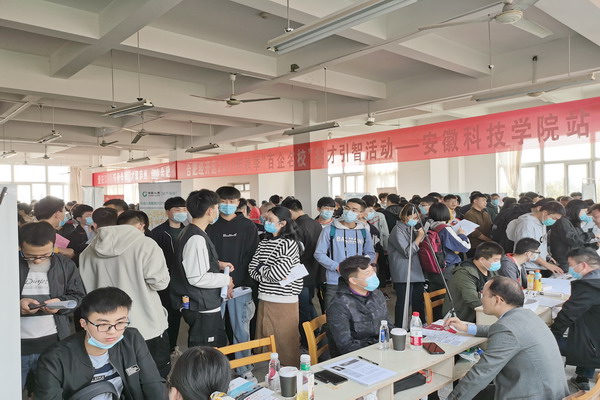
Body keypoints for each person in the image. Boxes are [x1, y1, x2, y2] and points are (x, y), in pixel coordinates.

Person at [79, 207, 171, 378]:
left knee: (120, 378)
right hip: (147, 324)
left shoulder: (86, 252)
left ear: (95, 225)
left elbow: (86, 290)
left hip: (107, 330)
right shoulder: (145, 244)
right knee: (155, 376)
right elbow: (160, 283)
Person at [445, 276, 569, 400]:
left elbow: (481, 373)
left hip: (534, 396)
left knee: (472, 388)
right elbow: (499, 330)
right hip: (550, 392)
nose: (481, 299)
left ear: (497, 300)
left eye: (484, 295)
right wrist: (467, 328)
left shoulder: (506, 329)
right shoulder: (527, 315)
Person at [35, 287, 167, 399]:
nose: (112, 331)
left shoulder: (132, 339)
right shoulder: (54, 359)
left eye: (120, 322)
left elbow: (152, 382)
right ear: (84, 324)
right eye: (103, 324)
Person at [19, 222, 85, 392]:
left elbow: (78, 296)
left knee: (49, 392)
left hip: (53, 344)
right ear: (20, 247)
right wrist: (15, 306)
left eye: (45, 255)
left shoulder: (65, 265)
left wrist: (60, 304)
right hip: (14, 345)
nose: (38, 260)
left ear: (54, 246)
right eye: (30, 256)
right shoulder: (7, 264)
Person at [206, 186, 258, 380]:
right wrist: (222, 280)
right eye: (224, 202)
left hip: (240, 287)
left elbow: (251, 256)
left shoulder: (248, 226)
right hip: (213, 285)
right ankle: (214, 370)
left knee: (241, 328)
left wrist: (233, 282)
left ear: (238, 203)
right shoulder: (210, 225)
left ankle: (245, 368)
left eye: (232, 202)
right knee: (213, 329)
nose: (228, 205)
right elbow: (208, 257)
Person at [170, 189, 233, 349]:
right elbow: (197, 278)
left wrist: (217, 264)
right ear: (210, 210)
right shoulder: (196, 238)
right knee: (205, 352)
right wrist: (226, 280)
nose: (217, 211)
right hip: (202, 306)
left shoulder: (190, 231)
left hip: (202, 303)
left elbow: (193, 263)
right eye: (217, 207)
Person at [248, 206, 303, 367]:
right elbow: (252, 269)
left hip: (284, 299)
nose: (266, 222)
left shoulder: (289, 244)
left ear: (283, 223)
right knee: (267, 338)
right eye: (266, 219)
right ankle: (273, 372)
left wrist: (262, 268)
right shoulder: (264, 242)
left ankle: (290, 374)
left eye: (271, 220)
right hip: (265, 296)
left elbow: (277, 273)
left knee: (285, 343)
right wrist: (266, 273)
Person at [551, 247, 600, 391]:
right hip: (595, 334)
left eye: (571, 265)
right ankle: (582, 377)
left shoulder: (588, 286)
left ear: (583, 265)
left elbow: (567, 315)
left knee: (546, 341)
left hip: (593, 347)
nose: (569, 269)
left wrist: (552, 335)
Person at [314, 197, 376, 309]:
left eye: (354, 210)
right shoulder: (329, 230)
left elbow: (370, 253)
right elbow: (319, 254)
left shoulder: (364, 232)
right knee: (333, 313)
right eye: (347, 208)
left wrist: (361, 265)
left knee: (357, 313)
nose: (349, 212)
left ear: (361, 214)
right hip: (334, 281)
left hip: (357, 281)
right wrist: (337, 266)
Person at [327, 256, 389, 357]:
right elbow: (346, 346)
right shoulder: (339, 305)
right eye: (368, 274)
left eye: (372, 271)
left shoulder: (377, 294)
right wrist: (377, 348)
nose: (373, 275)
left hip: (380, 349)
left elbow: (386, 324)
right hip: (354, 357)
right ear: (353, 280)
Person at [280, 197, 322, 346]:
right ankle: (316, 334)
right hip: (313, 271)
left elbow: (295, 253)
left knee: (303, 309)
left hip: (299, 274)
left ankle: (307, 340)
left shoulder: (297, 226)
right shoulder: (316, 223)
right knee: (309, 305)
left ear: (289, 211)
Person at [150, 196, 188, 353]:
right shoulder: (158, 233)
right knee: (167, 313)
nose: (181, 212)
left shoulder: (189, 230)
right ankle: (167, 347)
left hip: (185, 280)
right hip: (165, 281)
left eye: (184, 209)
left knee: (179, 314)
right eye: (177, 209)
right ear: (167, 212)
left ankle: (173, 345)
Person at [443, 242, 504, 322]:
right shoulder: (463, 274)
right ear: (482, 259)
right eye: (496, 260)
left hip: (481, 312)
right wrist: (498, 309)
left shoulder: (491, 270)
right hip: (461, 317)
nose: (498, 263)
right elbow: (473, 300)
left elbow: (501, 289)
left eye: (499, 260)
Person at [388, 204, 426, 327]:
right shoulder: (397, 230)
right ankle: (400, 327)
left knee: (418, 301)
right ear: (405, 216)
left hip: (416, 270)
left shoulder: (412, 228)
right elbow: (407, 252)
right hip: (403, 271)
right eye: (414, 217)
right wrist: (419, 237)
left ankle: (420, 325)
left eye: (418, 218)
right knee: (404, 302)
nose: (416, 220)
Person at [506, 200, 565, 274]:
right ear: (545, 213)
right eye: (554, 218)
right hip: (528, 267)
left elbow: (541, 242)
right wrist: (547, 265)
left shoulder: (542, 222)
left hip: (538, 266)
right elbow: (527, 249)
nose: (554, 221)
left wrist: (547, 257)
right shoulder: (527, 224)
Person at [428, 203, 471, 288]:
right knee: (450, 291)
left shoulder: (428, 226)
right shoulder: (444, 229)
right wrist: (462, 234)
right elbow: (465, 246)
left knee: (437, 292)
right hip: (447, 265)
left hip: (433, 264)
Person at [548, 199, 597, 272]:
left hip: (573, 259)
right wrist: (592, 235)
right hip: (564, 260)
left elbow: (580, 242)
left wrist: (595, 245)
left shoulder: (574, 222)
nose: (585, 214)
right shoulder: (562, 221)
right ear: (576, 210)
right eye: (584, 211)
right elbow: (573, 240)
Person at [464, 192, 493, 257]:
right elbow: (474, 232)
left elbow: (490, 226)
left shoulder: (486, 214)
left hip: (486, 245)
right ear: (475, 201)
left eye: (486, 201)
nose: (485, 202)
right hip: (475, 246)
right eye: (483, 200)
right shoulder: (469, 214)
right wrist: (488, 240)